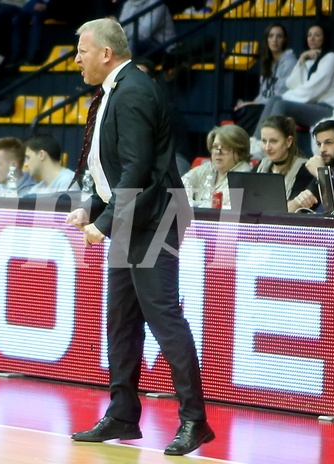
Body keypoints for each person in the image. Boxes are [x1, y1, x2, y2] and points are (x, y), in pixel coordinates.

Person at [65, 18, 214, 456]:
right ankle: (123, 415)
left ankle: (195, 421)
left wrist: (104, 224)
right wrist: (93, 208)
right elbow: (112, 168)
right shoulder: (118, 89)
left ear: (106, 54)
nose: (76, 59)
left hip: (152, 218)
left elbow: (138, 170)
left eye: (81, 50)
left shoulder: (132, 92)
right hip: (135, 217)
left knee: (165, 320)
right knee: (122, 321)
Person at [251, 24, 334, 158]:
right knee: (275, 99)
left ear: (324, 38)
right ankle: (256, 144)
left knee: (281, 104)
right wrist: (302, 60)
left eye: (317, 35)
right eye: (309, 35)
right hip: (310, 107)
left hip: (326, 109)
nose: (312, 38)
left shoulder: (331, 58)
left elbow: (312, 89)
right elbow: (292, 84)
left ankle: (271, 146)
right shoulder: (309, 60)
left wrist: (286, 97)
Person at [233, 23, 297, 136]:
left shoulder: (289, 62)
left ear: (285, 40)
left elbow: (281, 94)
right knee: (239, 110)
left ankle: (248, 146)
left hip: (278, 105)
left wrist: (252, 104)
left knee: (247, 112)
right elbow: (263, 93)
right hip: (264, 104)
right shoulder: (267, 62)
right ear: (267, 39)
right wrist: (249, 103)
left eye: (279, 36)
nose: (274, 40)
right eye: (271, 36)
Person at [182, 124, 253, 208]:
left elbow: (223, 207)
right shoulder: (207, 168)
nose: (218, 152)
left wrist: (194, 204)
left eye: (226, 148)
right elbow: (179, 188)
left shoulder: (244, 175)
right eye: (215, 147)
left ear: (240, 152)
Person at [253, 115, 313, 204]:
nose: (267, 147)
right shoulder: (262, 165)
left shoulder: (304, 170)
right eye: (264, 141)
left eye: (273, 141)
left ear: (288, 141)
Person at [289, 119, 334, 212]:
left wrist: (321, 175)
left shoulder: (321, 174)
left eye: (329, 142)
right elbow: (286, 211)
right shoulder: (327, 172)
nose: (322, 149)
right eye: (319, 144)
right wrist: (298, 201)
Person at [118, 0, 176, 65]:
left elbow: (144, 34)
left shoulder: (157, 4)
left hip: (163, 47)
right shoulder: (128, 4)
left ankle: (128, 72)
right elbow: (120, 31)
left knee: (132, 43)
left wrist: (127, 31)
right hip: (140, 46)